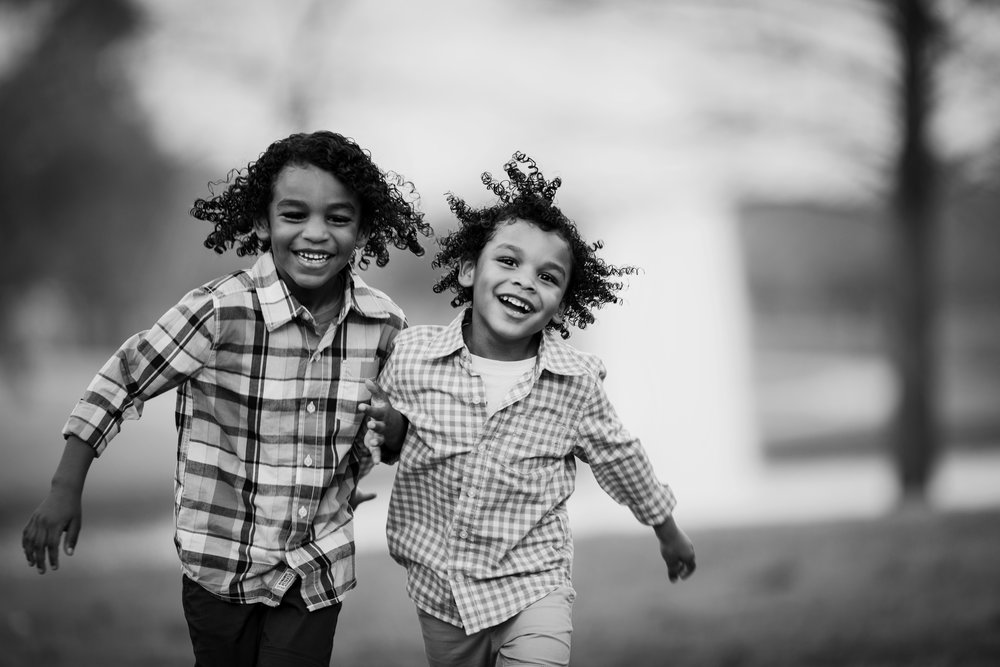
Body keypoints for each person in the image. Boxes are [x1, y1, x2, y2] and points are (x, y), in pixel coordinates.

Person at [21, 130, 431, 667]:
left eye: (337, 218)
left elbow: (395, 431)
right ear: (263, 223)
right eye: (293, 215)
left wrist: (394, 432)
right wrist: (64, 487)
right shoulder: (219, 312)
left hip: (315, 563)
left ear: (363, 229)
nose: (316, 233)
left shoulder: (383, 325)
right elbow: (123, 379)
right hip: (220, 561)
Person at [362, 152, 696, 667]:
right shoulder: (412, 356)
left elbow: (620, 457)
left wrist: (666, 529)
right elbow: (382, 435)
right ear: (470, 270)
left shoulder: (574, 383)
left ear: (562, 302)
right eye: (509, 262)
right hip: (440, 587)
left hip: (534, 583)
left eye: (547, 276)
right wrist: (376, 444)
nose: (525, 281)